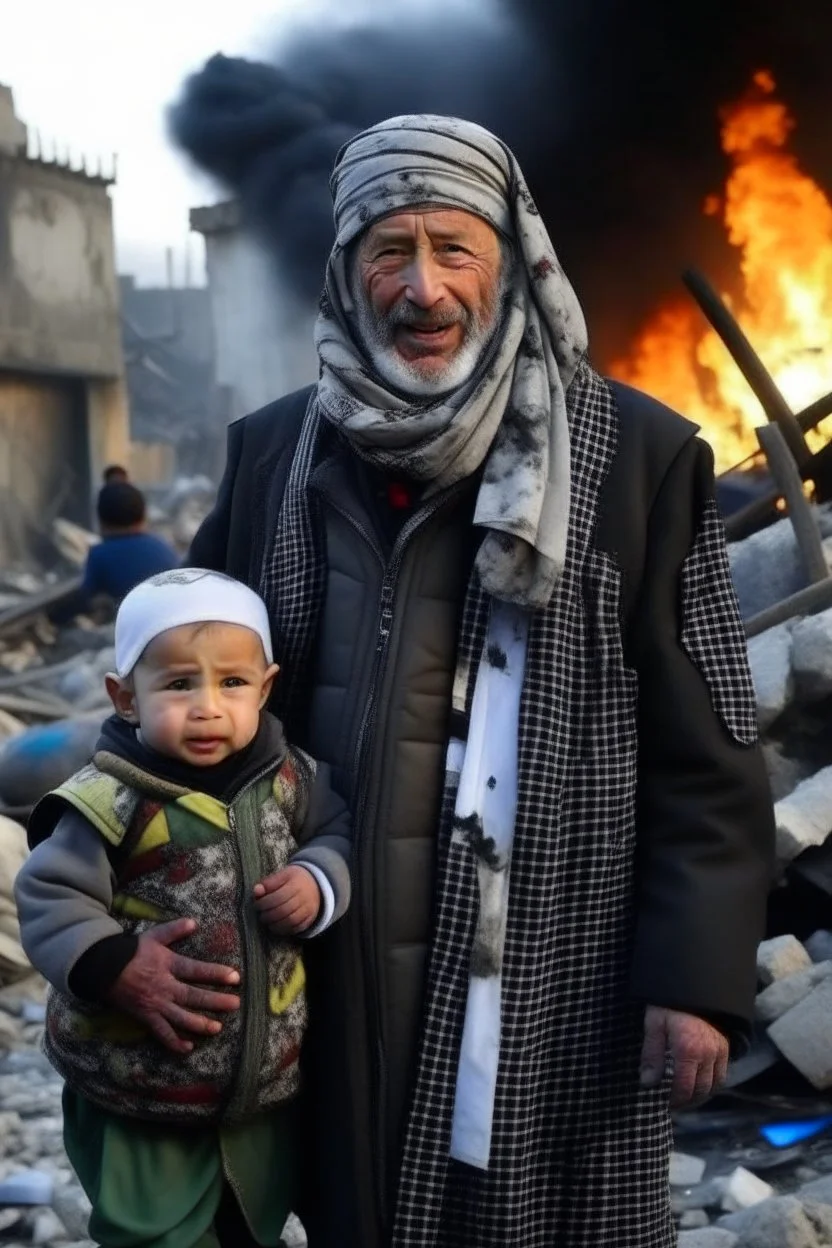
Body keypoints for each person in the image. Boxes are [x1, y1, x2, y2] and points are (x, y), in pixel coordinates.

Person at [193, 115, 770, 1247]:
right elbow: (184, 692)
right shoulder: (275, 454)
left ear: (511, 261)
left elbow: (708, 745)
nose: (421, 288)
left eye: (453, 249)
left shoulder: (637, 459)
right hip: (319, 956)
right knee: (346, 1208)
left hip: (560, 963)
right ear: (345, 270)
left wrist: (697, 977)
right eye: (388, 249)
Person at [15, 569, 351, 1248]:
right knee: (155, 1232)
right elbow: (49, 894)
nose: (206, 707)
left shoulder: (293, 781)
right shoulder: (109, 799)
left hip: (257, 1086)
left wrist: (319, 880)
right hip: (138, 1087)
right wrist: (116, 966)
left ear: (265, 687)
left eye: (231, 683)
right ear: (125, 698)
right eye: (177, 684)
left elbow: (340, 834)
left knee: (253, 1219)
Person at [79, 482, 179, 608]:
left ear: (101, 521)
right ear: (143, 516)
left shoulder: (99, 555)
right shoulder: (163, 546)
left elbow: (88, 599)